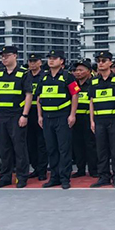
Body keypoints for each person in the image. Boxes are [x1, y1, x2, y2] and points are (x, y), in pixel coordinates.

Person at [35, 50, 79, 189]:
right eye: (49, 58)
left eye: (54, 58)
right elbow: (39, 97)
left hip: (62, 116)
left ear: (61, 61)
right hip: (47, 117)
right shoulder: (43, 77)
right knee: (51, 148)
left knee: (64, 149)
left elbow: (75, 95)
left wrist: (72, 115)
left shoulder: (67, 76)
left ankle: (65, 178)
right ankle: (54, 177)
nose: (51, 60)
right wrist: (40, 116)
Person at [0, 46, 33, 188]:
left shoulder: (23, 74)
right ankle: (5, 177)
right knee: (4, 148)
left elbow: (28, 95)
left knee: (19, 147)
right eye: (2, 56)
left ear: (15, 56)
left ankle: (22, 177)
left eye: (6, 55)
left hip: (16, 115)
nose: (4, 58)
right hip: (1, 116)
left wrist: (24, 115)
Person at [89, 51, 115, 188]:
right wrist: (92, 121)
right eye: (98, 61)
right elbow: (91, 101)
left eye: (104, 61)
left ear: (110, 62)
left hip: (114, 119)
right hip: (99, 120)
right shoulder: (93, 81)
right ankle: (103, 176)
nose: (100, 63)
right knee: (101, 150)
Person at [71, 60, 98, 178]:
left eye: (81, 70)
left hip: (88, 118)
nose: (78, 72)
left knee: (90, 144)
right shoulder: (73, 84)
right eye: (76, 70)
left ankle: (93, 169)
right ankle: (80, 169)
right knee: (77, 144)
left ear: (89, 71)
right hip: (75, 119)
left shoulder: (93, 83)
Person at [26, 53, 48, 180]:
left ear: (40, 62)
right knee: (30, 143)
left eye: (35, 61)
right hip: (27, 113)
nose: (32, 63)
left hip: (40, 112)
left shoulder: (45, 76)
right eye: (30, 61)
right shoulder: (25, 76)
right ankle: (35, 167)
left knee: (41, 143)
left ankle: (42, 170)